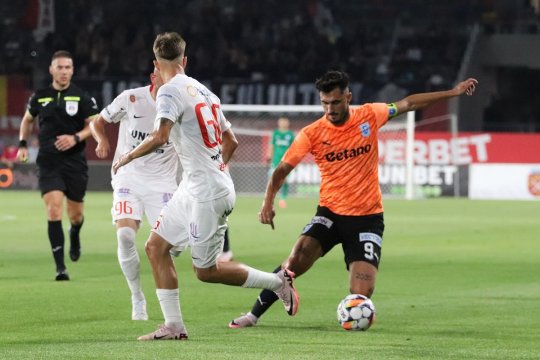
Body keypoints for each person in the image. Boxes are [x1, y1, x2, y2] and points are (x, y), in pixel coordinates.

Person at [228, 70, 478, 328]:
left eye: (335, 102)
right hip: (330, 214)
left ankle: (353, 316)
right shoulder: (312, 133)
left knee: (362, 292)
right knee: (294, 261)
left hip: (367, 220)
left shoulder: (370, 114)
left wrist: (453, 92)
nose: (330, 109)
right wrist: (267, 202)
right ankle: (253, 315)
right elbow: (280, 170)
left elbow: (409, 103)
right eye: (325, 103)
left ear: (348, 97)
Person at [112, 32, 299, 340]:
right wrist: (214, 169)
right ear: (184, 60)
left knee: (206, 271)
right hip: (196, 186)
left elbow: (160, 136)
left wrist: (127, 157)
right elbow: (232, 141)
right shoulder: (205, 92)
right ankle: (174, 326)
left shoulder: (169, 92)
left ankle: (278, 282)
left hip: (207, 192)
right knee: (155, 247)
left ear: (156, 65)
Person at [90, 69, 178, 320]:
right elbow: (98, 121)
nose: (171, 85)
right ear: (154, 77)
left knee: (175, 244)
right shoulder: (131, 99)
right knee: (126, 236)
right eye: (166, 79)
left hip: (163, 183)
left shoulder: (180, 105)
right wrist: (101, 140)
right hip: (128, 175)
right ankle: (137, 296)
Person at [16, 50, 99, 281]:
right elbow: (27, 120)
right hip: (49, 161)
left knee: (75, 216)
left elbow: (94, 125)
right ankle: (60, 267)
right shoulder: (40, 96)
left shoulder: (82, 97)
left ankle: (75, 233)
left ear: (72, 70)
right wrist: (22, 143)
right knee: (53, 209)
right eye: (60, 67)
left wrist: (75, 138)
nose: (64, 72)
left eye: (68, 68)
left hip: (75, 162)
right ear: (51, 70)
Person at [267, 117, 295, 208]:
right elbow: (271, 145)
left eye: (285, 121)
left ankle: (282, 198)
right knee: (272, 179)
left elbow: (294, 148)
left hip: (287, 161)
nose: (283, 123)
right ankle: (270, 198)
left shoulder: (290, 134)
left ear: (288, 123)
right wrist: (269, 156)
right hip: (276, 160)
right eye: (281, 121)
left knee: (284, 180)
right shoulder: (275, 133)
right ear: (278, 123)